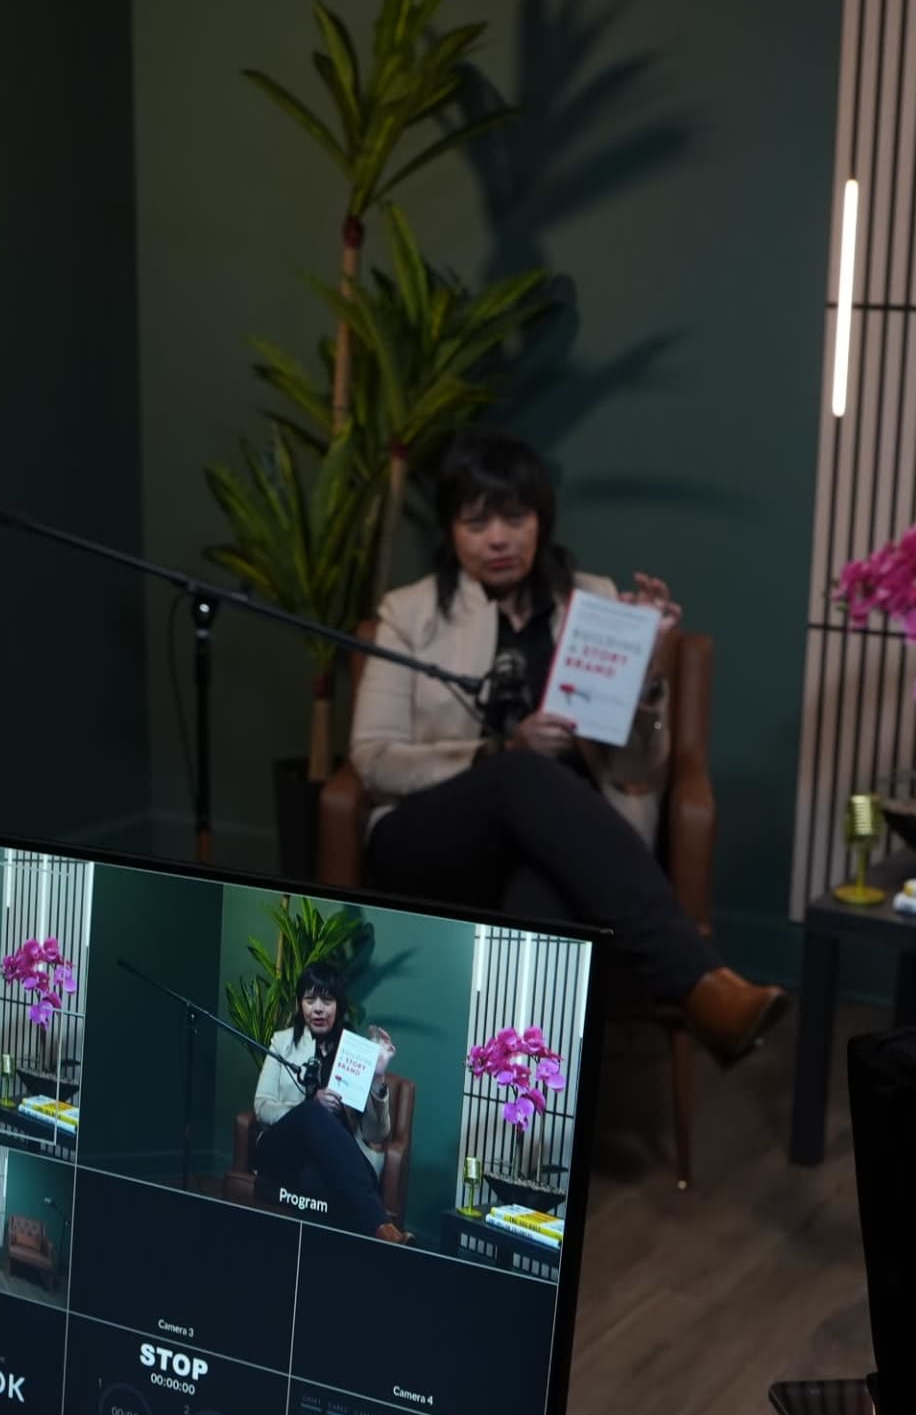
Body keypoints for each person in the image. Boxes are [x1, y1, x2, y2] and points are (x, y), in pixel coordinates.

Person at [348, 431, 788, 1061]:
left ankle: (517, 1125)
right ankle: (696, 980)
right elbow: (373, 758)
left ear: (541, 521)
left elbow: (641, 768)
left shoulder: (596, 601)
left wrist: (648, 667)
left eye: (515, 518)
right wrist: (497, 751)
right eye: (477, 522)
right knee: (521, 774)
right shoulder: (409, 613)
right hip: (434, 836)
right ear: (451, 531)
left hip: (567, 841)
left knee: (543, 895)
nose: (498, 538)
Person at [249, 968, 397, 1237]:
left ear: (338, 1006)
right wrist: (311, 1106)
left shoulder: (355, 1051)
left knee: (323, 1183)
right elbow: (262, 1107)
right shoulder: (282, 1043)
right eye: (310, 1000)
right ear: (299, 1004)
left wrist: (378, 1077)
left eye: (327, 1001)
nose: (318, 1009)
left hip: (333, 1161)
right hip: (283, 1149)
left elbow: (377, 1133)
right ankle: (381, 1223)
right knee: (311, 1113)